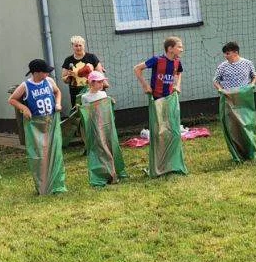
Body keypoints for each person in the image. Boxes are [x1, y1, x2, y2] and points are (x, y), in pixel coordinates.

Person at [8, 59, 67, 195]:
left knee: (55, 153)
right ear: (37, 72)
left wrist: (58, 103)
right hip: (36, 125)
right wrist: (24, 108)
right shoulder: (25, 85)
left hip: (51, 122)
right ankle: (44, 186)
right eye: (45, 72)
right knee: (40, 155)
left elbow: (57, 92)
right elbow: (12, 99)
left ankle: (57, 185)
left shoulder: (49, 81)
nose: (48, 74)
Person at [133, 36, 188, 177]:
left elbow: (179, 72)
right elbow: (137, 69)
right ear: (170, 49)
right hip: (157, 100)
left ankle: (172, 163)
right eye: (179, 47)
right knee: (159, 133)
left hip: (170, 100)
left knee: (173, 131)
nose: (182, 49)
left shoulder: (177, 62)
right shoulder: (157, 60)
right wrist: (145, 86)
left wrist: (177, 85)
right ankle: (158, 165)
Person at [78, 70, 127, 186]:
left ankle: (113, 170)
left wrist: (111, 101)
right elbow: (86, 113)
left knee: (109, 145)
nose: (101, 84)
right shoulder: (85, 97)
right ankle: (104, 172)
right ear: (91, 83)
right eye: (99, 82)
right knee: (100, 147)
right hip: (95, 127)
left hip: (106, 126)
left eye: (102, 82)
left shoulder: (103, 95)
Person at [213, 42, 256, 162]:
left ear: (236, 52)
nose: (226, 56)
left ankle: (251, 152)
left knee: (246, 124)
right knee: (233, 127)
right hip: (229, 99)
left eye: (228, 53)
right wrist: (221, 90)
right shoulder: (222, 66)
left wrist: (252, 85)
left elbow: (254, 76)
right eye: (225, 54)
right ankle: (237, 154)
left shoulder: (247, 63)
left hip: (244, 99)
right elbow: (216, 81)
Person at [61, 36, 106, 107]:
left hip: (92, 91)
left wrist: (103, 86)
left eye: (80, 45)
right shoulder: (68, 60)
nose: (78, 48)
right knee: (79, 111)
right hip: (76, 92)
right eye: (76, 46)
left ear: (83, 46)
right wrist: (69, 76)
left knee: (94, 110)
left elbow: (100, 75)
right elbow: (64, 79)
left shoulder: (91, 57)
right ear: (72, 46)